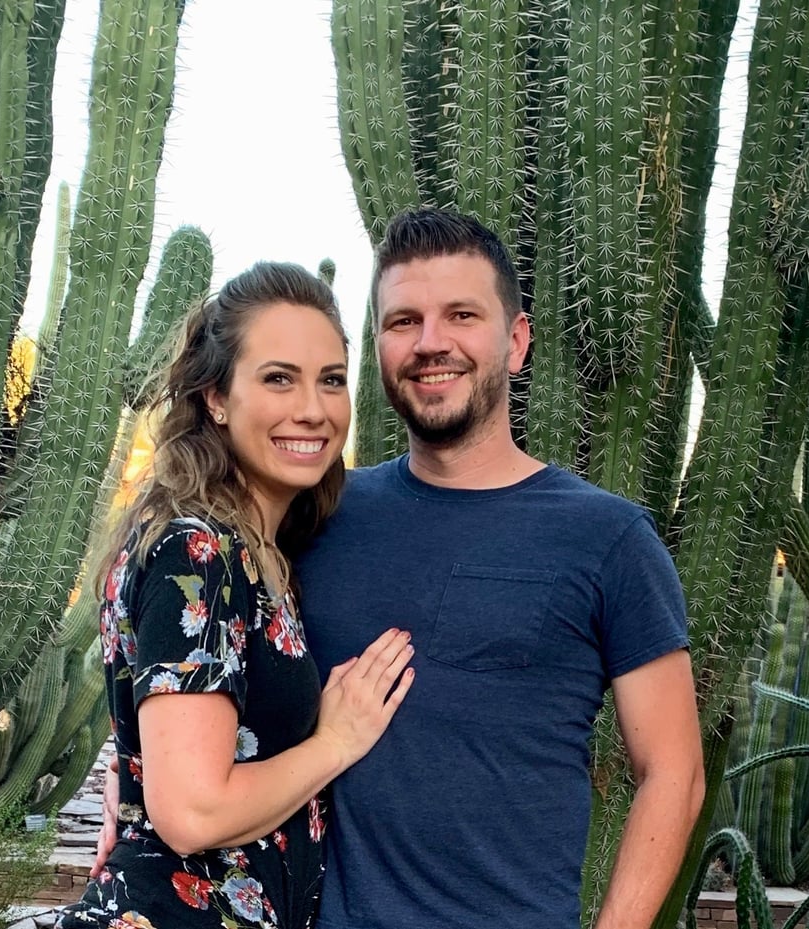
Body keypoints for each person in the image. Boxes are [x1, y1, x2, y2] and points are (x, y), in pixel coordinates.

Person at [96, 210, 705, 929]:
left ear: (515, 341)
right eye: (403, 321)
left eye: (462, 315)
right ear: (379, 347)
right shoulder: (312, 518)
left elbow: (675, 773)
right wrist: (136, 765)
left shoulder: (609, 539)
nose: (431, 343)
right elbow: (208, 661)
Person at [59, 261, 414, 929]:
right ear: (217, 397)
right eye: (278, 378)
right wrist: (336, 741)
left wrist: (131, 776)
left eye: (331, 379)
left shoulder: (247, 548)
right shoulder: (201, 551)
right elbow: (193, 811)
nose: (313, 408)